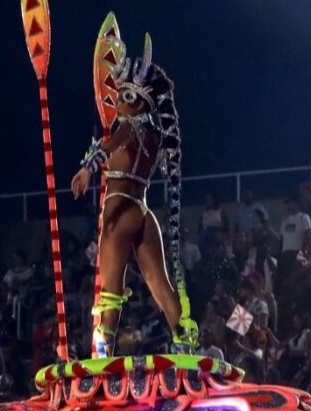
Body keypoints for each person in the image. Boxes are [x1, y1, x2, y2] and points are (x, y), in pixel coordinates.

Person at [70, 27, 197, 356]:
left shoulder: (128, 126)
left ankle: (102, 354)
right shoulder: (156, 136)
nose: (116, 100)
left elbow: (109, 146)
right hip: (143, 211)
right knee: (160, 285)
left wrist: (87, 168)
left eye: (121, 94)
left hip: (120, 207)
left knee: (110, 287)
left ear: (134, 98)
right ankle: (184, 343)